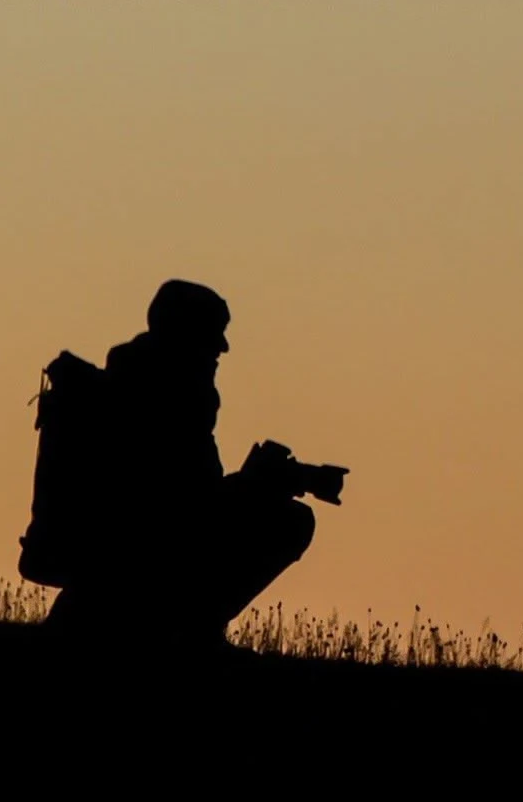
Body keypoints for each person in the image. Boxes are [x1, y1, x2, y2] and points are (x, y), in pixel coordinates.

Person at [30, 279, 345, 652]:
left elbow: (187, 495)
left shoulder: (143, 383)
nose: (222, 348)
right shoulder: (161, 393)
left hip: (120, 542)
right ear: (185, 333)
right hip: (133, 546)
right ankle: (194, 631)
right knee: (290, 522)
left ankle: (131, 618)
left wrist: (266, 480)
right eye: (214, 333)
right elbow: (177, 504)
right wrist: (263, 482)